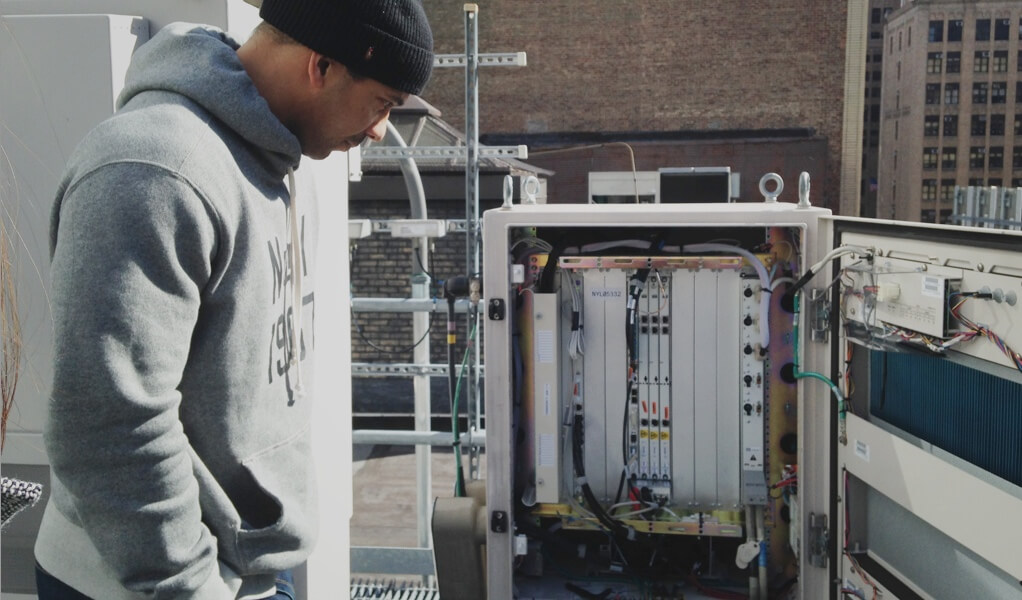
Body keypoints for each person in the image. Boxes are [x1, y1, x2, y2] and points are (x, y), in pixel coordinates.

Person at [33, 1, 433, 598]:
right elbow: (109, 425)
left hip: (247, 568)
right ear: (320, 66)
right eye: (381, 104)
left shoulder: (285, 160)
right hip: (144, 583)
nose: (379, 131)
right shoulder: (152, 170)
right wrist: (190, 586)